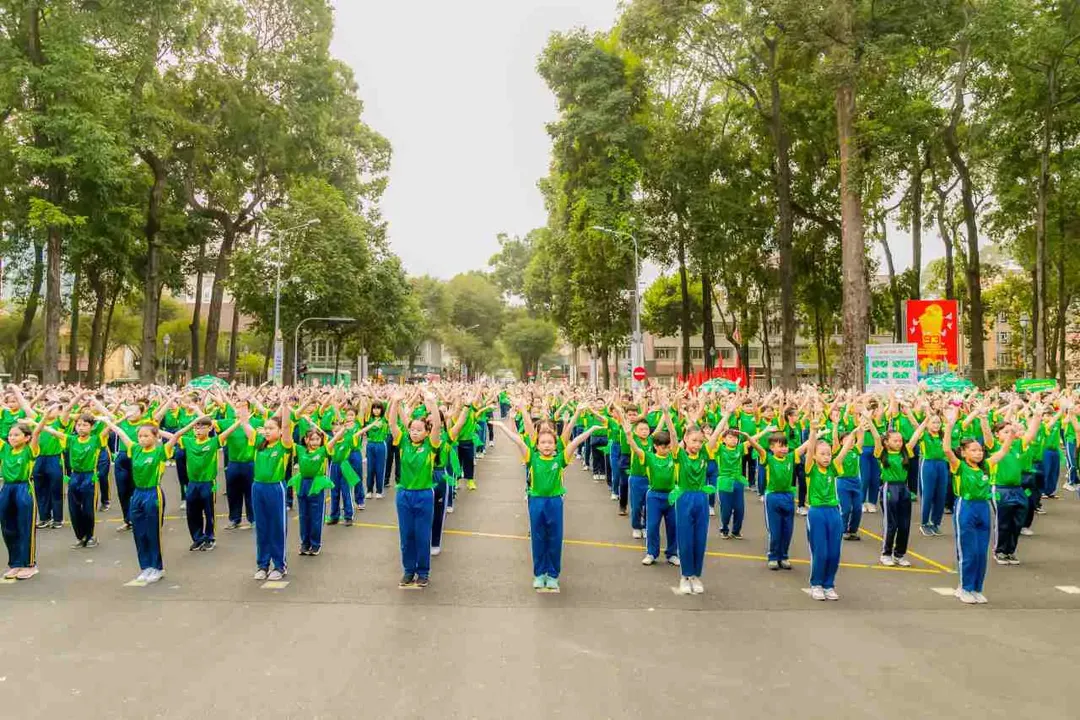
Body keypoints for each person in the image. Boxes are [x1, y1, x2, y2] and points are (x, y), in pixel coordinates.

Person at [493, 411, 597, 592]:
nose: (547, 446)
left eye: (550, 442)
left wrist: (591, 430)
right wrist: (503, 427)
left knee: (555, 538)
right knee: (538, 538)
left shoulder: (560, 459)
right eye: (543, 442)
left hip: (555, 502)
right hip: (536, 501)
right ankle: (539, 574)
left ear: (555, 444)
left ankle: (553, 575)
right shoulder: (531, 458)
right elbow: (518, 440)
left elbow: (575, 442)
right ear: (537, 445)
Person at [94, 398, 171, 585]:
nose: (142, 439)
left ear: (154, 437)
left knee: (152, 531)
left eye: (147, 436)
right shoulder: (134, 449)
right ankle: (145, 567)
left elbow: (175, 438)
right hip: (137, 495)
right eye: (140, 436)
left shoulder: (160, 451)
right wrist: (109, 422)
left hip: (152, 493)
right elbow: (120, 433)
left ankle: (157, 567)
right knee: (139, 532)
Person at [219, 405, 293, 581]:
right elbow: (244, 423)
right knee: (261, 527)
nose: (267, 431)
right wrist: (243, 403)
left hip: (275, 488)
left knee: (277, 527)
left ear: (280, 431)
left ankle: (279, 566)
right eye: (265, 428)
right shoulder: (258, 443)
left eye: (271, 428)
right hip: (257, 488)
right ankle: (262, 565)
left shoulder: (284, 445)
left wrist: (285, 406)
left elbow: (287, 427)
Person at [388, 389, 443, 589]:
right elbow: (392, 423)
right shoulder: (403, 442)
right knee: (406, 535)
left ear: (426, 432)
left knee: (422, 535)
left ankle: (423, 572)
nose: (415, 432)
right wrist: (395, 402)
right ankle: (408, 570)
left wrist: (432, 401)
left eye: (420, 429)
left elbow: (437, 424)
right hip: (404, 494)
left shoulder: (431, 445)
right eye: (413, 429)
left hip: (424, 495)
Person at [943, 408, 998, 605]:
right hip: (965, 507)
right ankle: (964, 587)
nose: (978, 453)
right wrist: (949, 426)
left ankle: (977, 588)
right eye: (973, 450)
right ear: (964, 452)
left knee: (981, 552)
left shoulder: (986, 466)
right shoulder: (959, 466)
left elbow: (1003, 450)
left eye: (980, 450)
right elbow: (947, 450)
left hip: (983, 508)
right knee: (968, 550)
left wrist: (1011, 435)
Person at [745, 423, 814, 571]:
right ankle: (773, 556)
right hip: (773, 497)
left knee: (787, 530)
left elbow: (805, 446)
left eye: (785, 446)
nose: (783, 449)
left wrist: (814, 432)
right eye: (779, 446)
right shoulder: (767, 458)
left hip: (788, 496)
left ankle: (784, 556)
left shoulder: (791, 457)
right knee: (775, 530)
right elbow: (757, 447)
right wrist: (749, 438)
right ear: (772, 448)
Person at [0, 403, 56, 579]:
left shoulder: (29, 450)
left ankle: (30, 564)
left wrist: (45, 416)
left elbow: (38, 432)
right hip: (7, 488)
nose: (12, 438)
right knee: (8, 527)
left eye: (16, 435)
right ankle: (15, 563)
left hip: (23, 489)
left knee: (25, 527)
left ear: (26, 438)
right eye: (10, 435)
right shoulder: (5, 450)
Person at [805, 422, 859, 601]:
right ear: (814, 456)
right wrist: (813, 431)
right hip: (817, 512)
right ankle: (816, 584)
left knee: (834, 551)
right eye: (822, 454)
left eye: (828, 453)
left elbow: (843, 451)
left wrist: (856, 432)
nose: (827, 457)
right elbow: (810, 449)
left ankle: (829, 584)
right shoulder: (810, 468)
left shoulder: (834, 467)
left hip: (833, 512)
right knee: (820, 551)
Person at [624, 400, 680, 568]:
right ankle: (651, 553)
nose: (667, 449)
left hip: (671, 495)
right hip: (654, 495)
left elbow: (674, 435)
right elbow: (634, 447)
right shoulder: (649, 456)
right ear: (655, 447)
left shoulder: (674, 455)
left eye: (668, 447)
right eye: (663, 447)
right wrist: (628, 435)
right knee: (652, 525)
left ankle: (672, 554)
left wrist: (666, 414)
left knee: (673, 526)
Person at [171, 415, 219, 551]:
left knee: (209, 511)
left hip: (208, 482)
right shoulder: (188, 441)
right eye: (195, 428)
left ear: (210, 428)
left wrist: (241, 420)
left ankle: (210, 538)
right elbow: (174, 436)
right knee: (192, 512)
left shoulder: (214, 441)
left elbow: (229, 431)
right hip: (192, 483)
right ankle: (198, 538)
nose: (198, 430)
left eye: (202, 427)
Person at [65, 403, 110, 549]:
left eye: (85, 425)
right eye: (78, 425)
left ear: (91, 427)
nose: (81, 427)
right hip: (74, 476)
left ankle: (90, 536)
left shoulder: (96, 439)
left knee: (88, 509)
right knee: (73, 508)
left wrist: (102, 418)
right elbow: (52, 431)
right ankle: (80, 537)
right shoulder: (71, 439)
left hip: (89, 476)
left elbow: (113, 423)